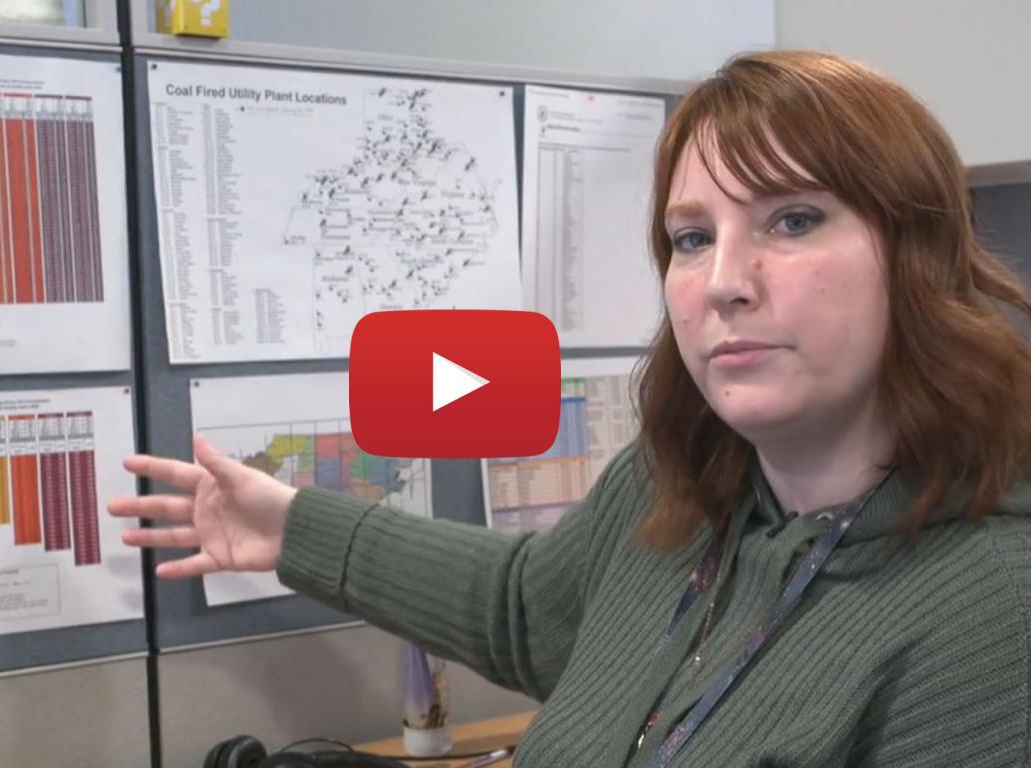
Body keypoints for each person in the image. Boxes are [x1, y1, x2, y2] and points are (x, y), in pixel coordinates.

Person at [109, 50, 1031, 767]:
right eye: (691, 236)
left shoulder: (990, 615)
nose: (723, 283)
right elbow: (525, 610)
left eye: (793, 220)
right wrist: (294, 526)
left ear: (919, 256)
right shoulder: (681, 484)